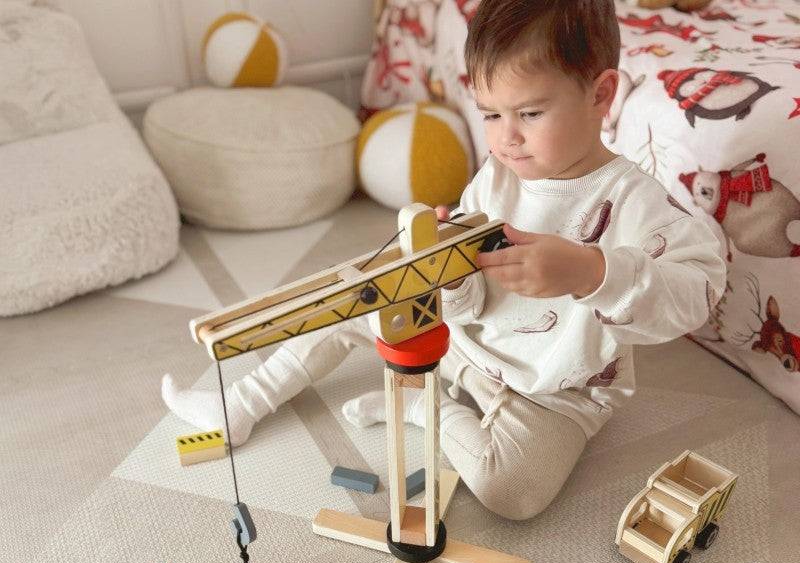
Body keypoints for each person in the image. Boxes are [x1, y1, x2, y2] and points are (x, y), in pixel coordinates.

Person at [163, 0, 725, 520]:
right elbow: (465, 302)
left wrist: (590, 272)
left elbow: (698, 290)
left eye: (529, 113)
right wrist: (442, 268)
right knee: (357, 293)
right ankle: (239, 403)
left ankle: (420, 407)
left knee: (513, 493)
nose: (506, 139)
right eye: (490, 114)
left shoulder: (634, 201)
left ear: (600, 95)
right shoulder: (498, 174)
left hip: (554, 389)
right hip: (465, 349)